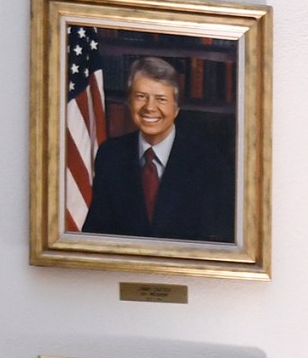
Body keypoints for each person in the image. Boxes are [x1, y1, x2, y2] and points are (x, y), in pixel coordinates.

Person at [80, 56, 236, 242]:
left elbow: (218, 241)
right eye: (141, 97)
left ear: (176, 108)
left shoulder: (209, 163)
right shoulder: (110, 155)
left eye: (161, 99)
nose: (149, 108)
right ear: (129, 103)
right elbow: (95, 234)